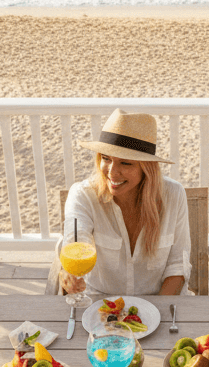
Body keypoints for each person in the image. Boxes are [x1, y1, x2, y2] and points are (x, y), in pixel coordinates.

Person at [56, 109, 190, 297]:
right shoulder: (83, 195)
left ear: (147, 168)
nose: (112, 172)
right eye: (106, 158)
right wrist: (68, 272)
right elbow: (76, 241)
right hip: (100, 306)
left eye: (125, 163)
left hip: (159, 305)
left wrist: (151, 315)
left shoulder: (174, 195)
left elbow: (177, 266)